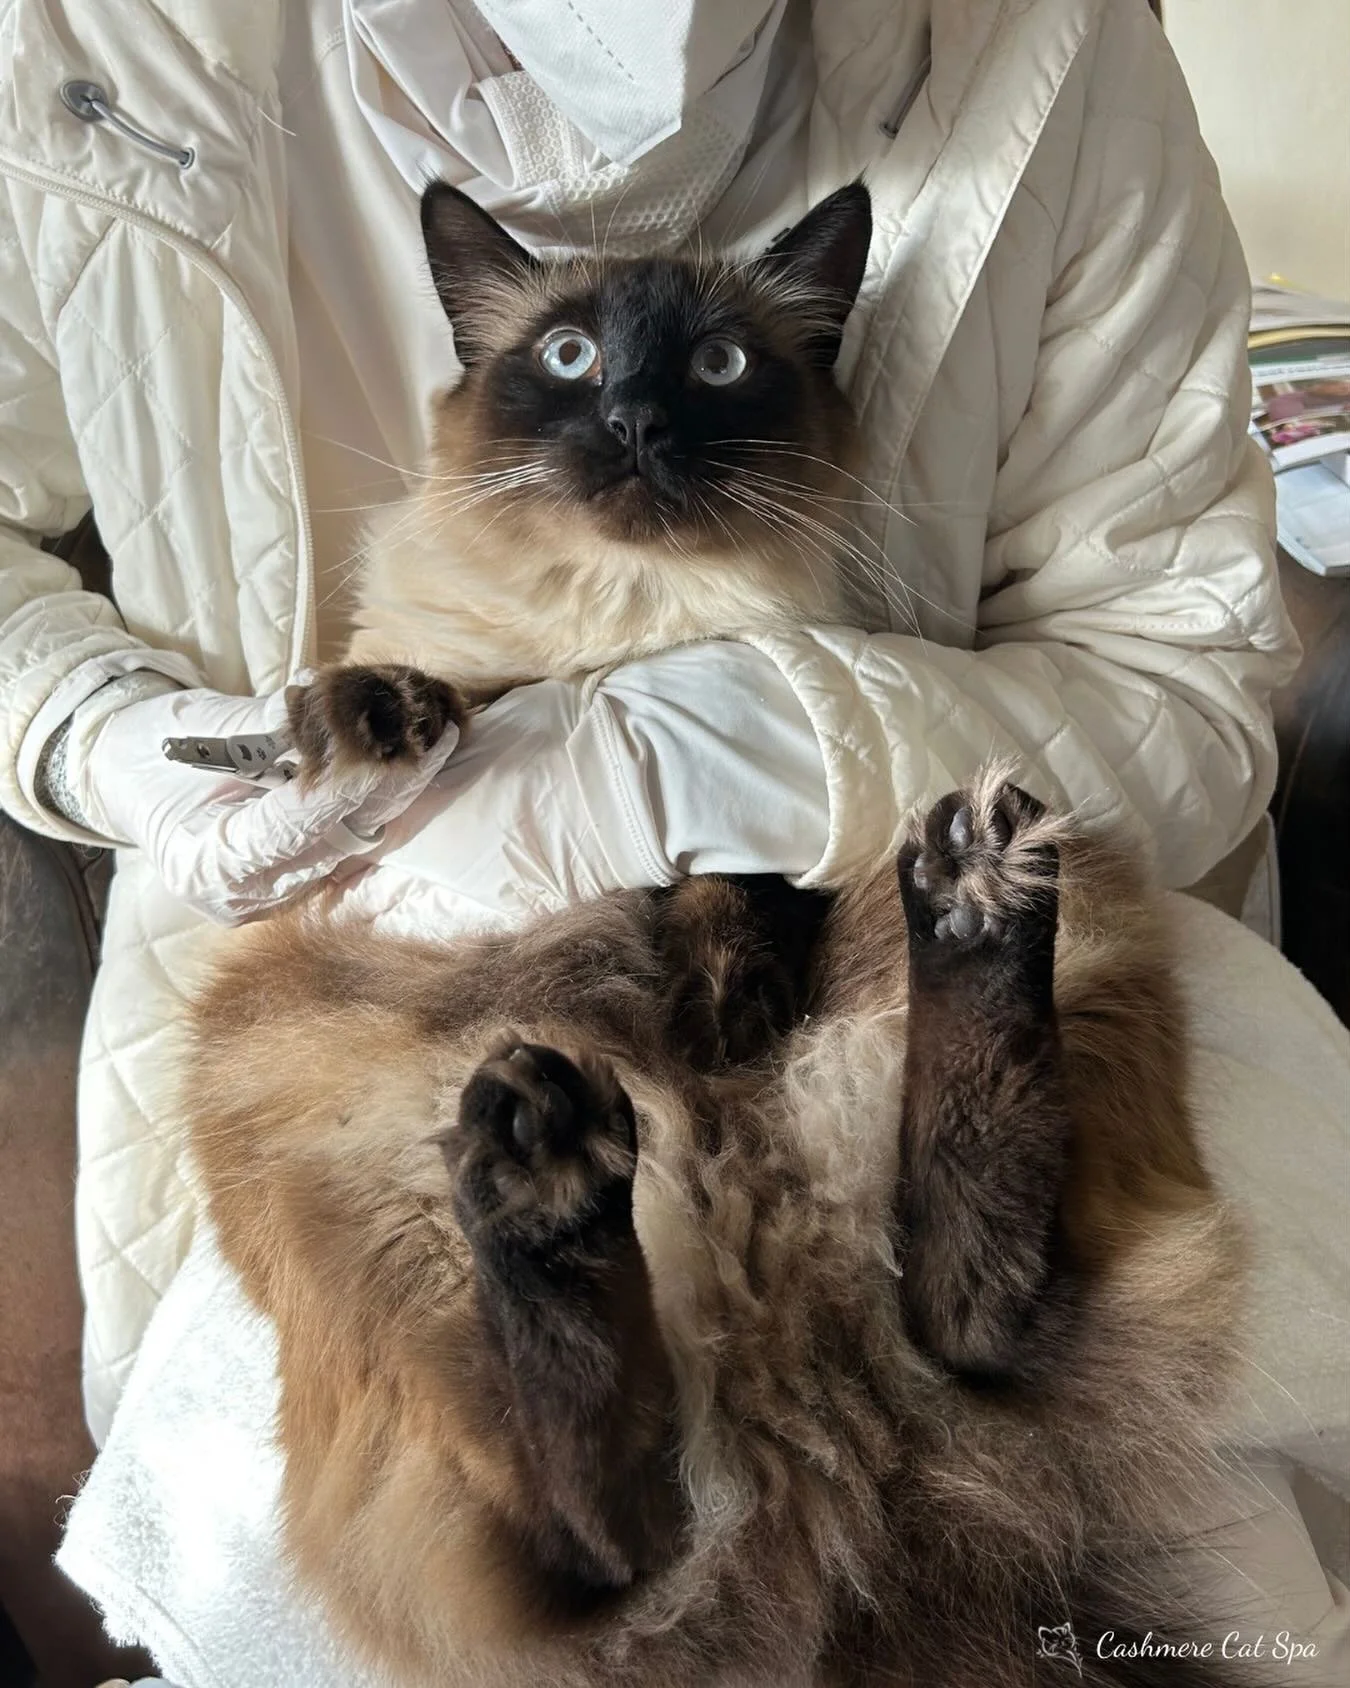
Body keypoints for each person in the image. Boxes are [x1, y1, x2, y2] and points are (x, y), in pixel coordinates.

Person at [1, 0, 1347, 1680]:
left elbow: (1180, 667)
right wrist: (108, 738)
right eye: (571, 370)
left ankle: (921, 1266)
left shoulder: (1062, 50)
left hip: (843, 892)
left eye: (709, 375)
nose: (636, 418)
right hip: (434, 963)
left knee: (1040, 872)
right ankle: (568, 1431)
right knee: (298, 1070)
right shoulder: (83, 38)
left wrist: (678, 752)